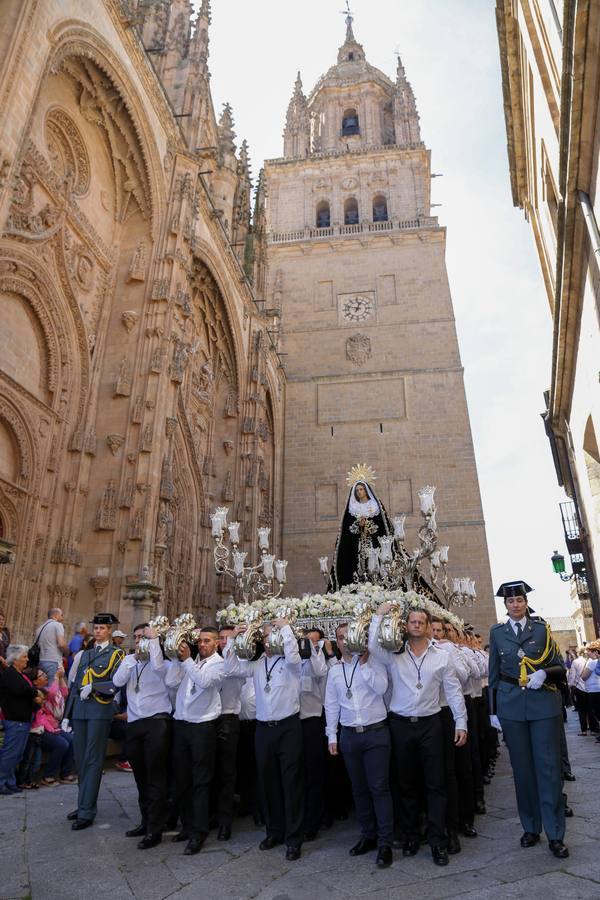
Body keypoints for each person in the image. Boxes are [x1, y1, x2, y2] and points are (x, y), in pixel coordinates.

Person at [369, 605, 467, 867]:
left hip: (431, 724)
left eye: (421, 621)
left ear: (426, 626)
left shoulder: (442, 656)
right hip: (400, 724)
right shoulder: (393, 654)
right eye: (412, 621)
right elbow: (373, 648)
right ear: (406, 625)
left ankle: (437, 840)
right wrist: (378, 615)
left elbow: (454, 690)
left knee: (435, 784)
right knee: (406, 783)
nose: (416, 625)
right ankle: (411, 835)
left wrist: (461, 722)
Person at [488, 581, 568, 858]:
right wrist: (492, 710)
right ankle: (531, 827)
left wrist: (545, 673)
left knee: (548, 768)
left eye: (520, 600)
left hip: (543, 704)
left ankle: (555, 833)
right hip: (511, 706)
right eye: (511, 602)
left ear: (525, 602)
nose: (516, 605)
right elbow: (493, 675)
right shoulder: (497, 633)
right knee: (522, 771)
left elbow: (559, 665)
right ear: (506, 605)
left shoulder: (542, 629)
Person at [225, 618, 305, 861]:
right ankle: (274, 831)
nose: (269, 641)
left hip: (288, 727)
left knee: (291, 783)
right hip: (264, 729)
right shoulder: (258, 664)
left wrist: (286, 628)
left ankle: (294, 839)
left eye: (274, 636)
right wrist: (232, 640)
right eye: (267, 637)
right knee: (267, 780)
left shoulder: (291, 664)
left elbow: (293, 656)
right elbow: (231, 669)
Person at [325, 622, 393, 868]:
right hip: (349, 735)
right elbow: (331, 704)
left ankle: (386, 841)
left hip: (375, 733)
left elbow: (381, 688)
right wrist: (332, 736)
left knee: (379, 787)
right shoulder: (334, 670)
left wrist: (363, 663)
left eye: (349, 636)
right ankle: (368, 835)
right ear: (336, 642)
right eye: (341, 637)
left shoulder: (374, 662)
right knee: (359, 788)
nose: (346, 641)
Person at [113, 623, 173, 849]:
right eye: (136, 637)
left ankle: (155, 829)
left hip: (157, 722)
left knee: (156, 776)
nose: (139, 641)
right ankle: (145, 820)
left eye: (143, 637)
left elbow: (158, 668)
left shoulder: (163, 662)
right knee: (140, 776)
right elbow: (118, 682)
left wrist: (154, 640)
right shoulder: (130, 662)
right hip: (135, 723)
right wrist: (130, 661)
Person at [165, 626, 224, 856]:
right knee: (182, 779)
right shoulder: (191, 662)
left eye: (207, 640)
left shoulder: (219, 664)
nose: (202, 644)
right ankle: (187, 826)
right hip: (182, 725)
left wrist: (188, 660)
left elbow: (204, 683)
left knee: (201, 782)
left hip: (203, 727)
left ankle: (199, 832)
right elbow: (171, 682)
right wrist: (175, 659)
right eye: (199, 640)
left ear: (216, 643)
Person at [64, 613, 125, 830]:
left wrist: (95, 687)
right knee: (80, 758)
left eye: (101, 628)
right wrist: (67, 715)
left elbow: (116, 683)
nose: (97, 631)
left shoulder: (117, 654)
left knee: (92, 759)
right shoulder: (86, 654)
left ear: (109, 630)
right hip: (80, 710)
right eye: (96, 628)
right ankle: (83, 804)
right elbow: (74, 685)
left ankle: (87, 811)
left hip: (99, 709)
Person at [328, 476, 392, 591]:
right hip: (356, 548)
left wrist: (367, 524)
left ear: (366, 490)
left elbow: (382, 527)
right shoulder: (352, 508)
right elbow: (347, 531)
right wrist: (358, 525)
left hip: (374, 546)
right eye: (357, 490)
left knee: (374, 567)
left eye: (361, 489)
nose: (359, 492)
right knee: (358, 570)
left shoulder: (375, 505)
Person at [213, 624, 246, 841]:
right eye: (222, 638)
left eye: (228, 638)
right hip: (208, 720)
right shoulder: (208, 662)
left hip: (228, 717)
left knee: (226, 773)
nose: (225, 641)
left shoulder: (236, 663)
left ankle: (225, 821)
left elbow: (231, 670)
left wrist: (234, 644)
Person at [0, 645, 44, 794]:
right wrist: (36, 692)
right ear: (16, 659)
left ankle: (10, 782)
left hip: (22, 720)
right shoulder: (10, 674)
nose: (27, 659)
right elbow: (21, 689)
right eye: (24, 657)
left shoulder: (18, 674)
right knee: (10, 754)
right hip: (15, 720)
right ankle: (1, 783)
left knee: (17, 754)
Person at [300, 628, 328, 842]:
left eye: (313, 641)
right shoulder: (292, 657)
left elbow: (319, 672)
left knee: (313, 773)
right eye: (305, 640)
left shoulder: (317, 659)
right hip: (293, 721)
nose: (307, 643)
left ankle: (314, 820)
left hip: (313, 719)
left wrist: (314, 650)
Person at [35, 666, 76, 785]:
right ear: (35, 681)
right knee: (62, 744)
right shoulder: (38, 692)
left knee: (72, 740)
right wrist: (57, 677)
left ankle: (66, 773)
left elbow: (64, 692)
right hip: (42, 728)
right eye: (41, 675)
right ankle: (48, 775)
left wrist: (61, 677)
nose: (45, 676)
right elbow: (53, 693)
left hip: (54, 727)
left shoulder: (48, 688)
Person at [568, 648, 598, 735]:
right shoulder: (590, 661)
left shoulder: (575, 662)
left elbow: (572, 675)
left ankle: (584, 730)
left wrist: (570, 685)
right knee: (590, 710)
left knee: (581, 710)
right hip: (589, 689)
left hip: (579, 688)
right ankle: (593, 730)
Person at [33, 608, 67, 682]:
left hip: (41, 662)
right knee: (52, 690)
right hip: (53, 662)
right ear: (56, 615)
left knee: (43, 689)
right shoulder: (58, 625)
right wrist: (67, 650)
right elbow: (61, 644)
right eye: (61, 615)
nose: (62, 618)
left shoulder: (40, 628)